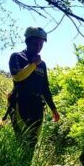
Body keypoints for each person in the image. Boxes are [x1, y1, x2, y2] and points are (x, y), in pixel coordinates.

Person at [8, 26, 60, 154]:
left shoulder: (42, 64)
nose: (38, 46)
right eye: (35, 43)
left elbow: (45, 88)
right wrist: (33, 65)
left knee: (32, 142)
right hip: (20, 104)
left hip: (37, 106)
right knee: (22, 141)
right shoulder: (17, 57)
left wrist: (54, 109)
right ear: (27, 41)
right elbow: (18, 77)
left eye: (41, 44)